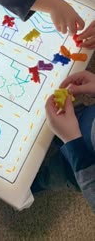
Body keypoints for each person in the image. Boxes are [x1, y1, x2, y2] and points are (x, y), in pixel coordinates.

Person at [32, 70, 95, 212]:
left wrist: (72, 142)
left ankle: (38, 183)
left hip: (78, 165)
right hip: (85, 119)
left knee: (55, 174)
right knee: (49, 125)